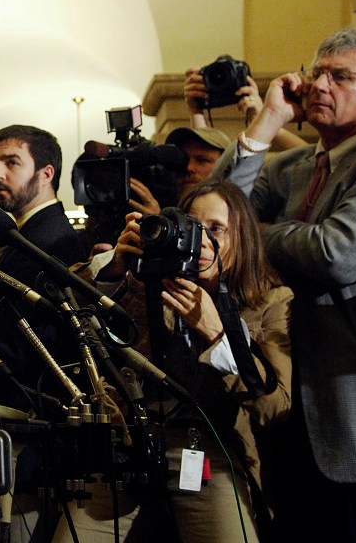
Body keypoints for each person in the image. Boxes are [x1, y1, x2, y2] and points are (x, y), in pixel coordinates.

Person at [210, 27, 356, 542]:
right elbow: (210, 217)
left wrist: (257, 234)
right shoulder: (289, 165)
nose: (318, 84)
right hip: (289, 423)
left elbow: (336, 254)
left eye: (340, 76)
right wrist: (267, 122)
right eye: (316, 71)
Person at [87, 180, 292, 543]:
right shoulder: (150, 284)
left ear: (241, 238)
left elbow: (275, 406)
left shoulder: (270, 301)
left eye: (215, 230)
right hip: (127, 443)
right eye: (192, 227)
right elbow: (84, 326)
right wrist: (119, 269)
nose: (201, 240)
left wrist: (217, 333)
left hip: (208, 447)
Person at [0, 125, 87, 542]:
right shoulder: (19, 237)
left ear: (46, 173)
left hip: (25, 427)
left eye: (12, 162)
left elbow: (35, 341)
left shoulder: (55, 241)